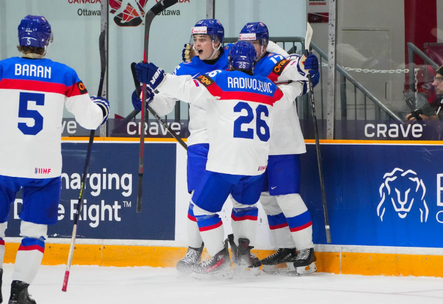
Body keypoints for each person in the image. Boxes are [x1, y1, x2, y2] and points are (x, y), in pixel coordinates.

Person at [0, 15, 109, 304]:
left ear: (20, 39)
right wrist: (101, 108)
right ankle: (21, 291)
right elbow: (90, 119)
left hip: (2, 164)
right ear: (47, 42)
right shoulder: (65, 74)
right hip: (44, 169)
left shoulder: (0, 70)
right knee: (34, 232)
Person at [135, 41, 307, 278]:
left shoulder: (221, 79)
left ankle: (218, 257)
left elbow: (187, 88)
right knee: (245, 207)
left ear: (232, 61)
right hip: (257, 165)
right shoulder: (268, 86)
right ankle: (244, 254)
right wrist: (301, 85)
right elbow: (287, 96)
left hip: (227, 161)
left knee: (202, 208)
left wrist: (159, 79)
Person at [131, 19, 230, 274]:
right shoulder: (186, 68)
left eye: (203, 40)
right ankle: (195, 251)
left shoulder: (234, 61)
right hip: (201, 140)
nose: (197, 45)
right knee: (197, 197)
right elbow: (165, 104)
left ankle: (239, 251)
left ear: (217, 42)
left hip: (231, 140)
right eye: (195, 40)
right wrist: (149, 98)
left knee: (241, 202)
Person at [237, 22, 320, 275]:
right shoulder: (239, 60)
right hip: (255, 145)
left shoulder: (275, 60)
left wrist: (306, 69)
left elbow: (295, 66)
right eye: (244, 43)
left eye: (252, 44)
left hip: (281, 143)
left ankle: (306, 251)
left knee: (286, 197)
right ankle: (285, 248)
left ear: (263, 44)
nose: (247, 49)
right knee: (268, 200)